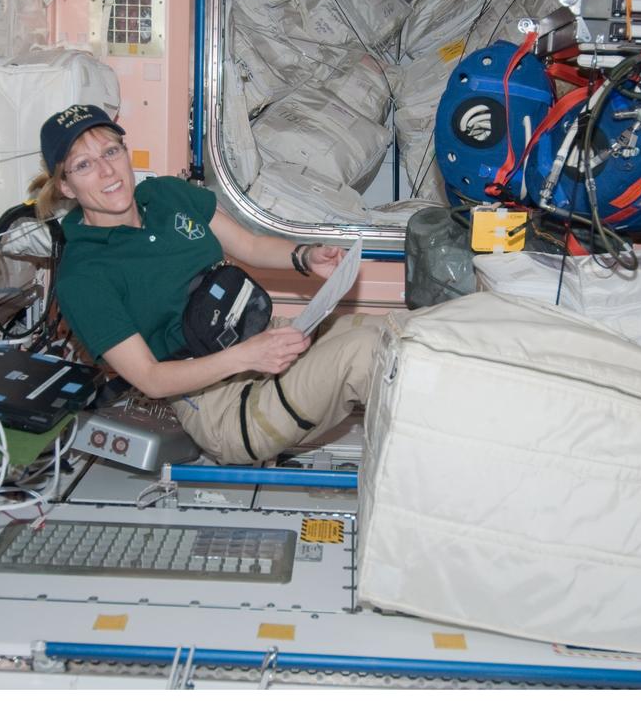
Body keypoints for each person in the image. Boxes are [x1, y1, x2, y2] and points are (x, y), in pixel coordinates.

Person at [29, 104, 382, 464]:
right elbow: (150, 379)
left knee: (394, 331)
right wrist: (247, 355)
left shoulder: (166, 195)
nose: (107, 170)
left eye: (110, 151)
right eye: (84, 165)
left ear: (124, 151)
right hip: (223, 406)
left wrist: (305, 256)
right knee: (365, 352)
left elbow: (250, 245)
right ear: (65, 186)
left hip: (255, 336)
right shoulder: (83, 276)